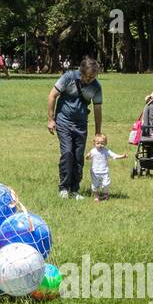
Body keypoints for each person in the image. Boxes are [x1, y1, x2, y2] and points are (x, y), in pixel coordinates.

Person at [46, 56, 103, 199]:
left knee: (78, 157)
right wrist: (51, 119)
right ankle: (64, 188)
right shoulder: (69, 77)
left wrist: (97, 132)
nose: (91, 80)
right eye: (88, 77)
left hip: (81, 124)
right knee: (67, 153)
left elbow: (97, 109)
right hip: (63, 121)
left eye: (93, 77)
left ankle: (75, 189)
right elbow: (52, 95)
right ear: (81, 71)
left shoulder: (96, 86)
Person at [87, 134, 126, 202]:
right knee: (95, 185)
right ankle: (96, 196)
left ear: (105, 143)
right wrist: (87, 156)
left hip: (104, 171)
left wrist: (122, 156)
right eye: (98, 143)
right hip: (95, 172)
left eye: (102, 143)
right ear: (94, 143)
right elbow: (88, 158)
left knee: (106, 184)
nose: (100, 145)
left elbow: (114, 155)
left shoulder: (106, 151)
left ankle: (105, 193)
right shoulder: (93, 151)